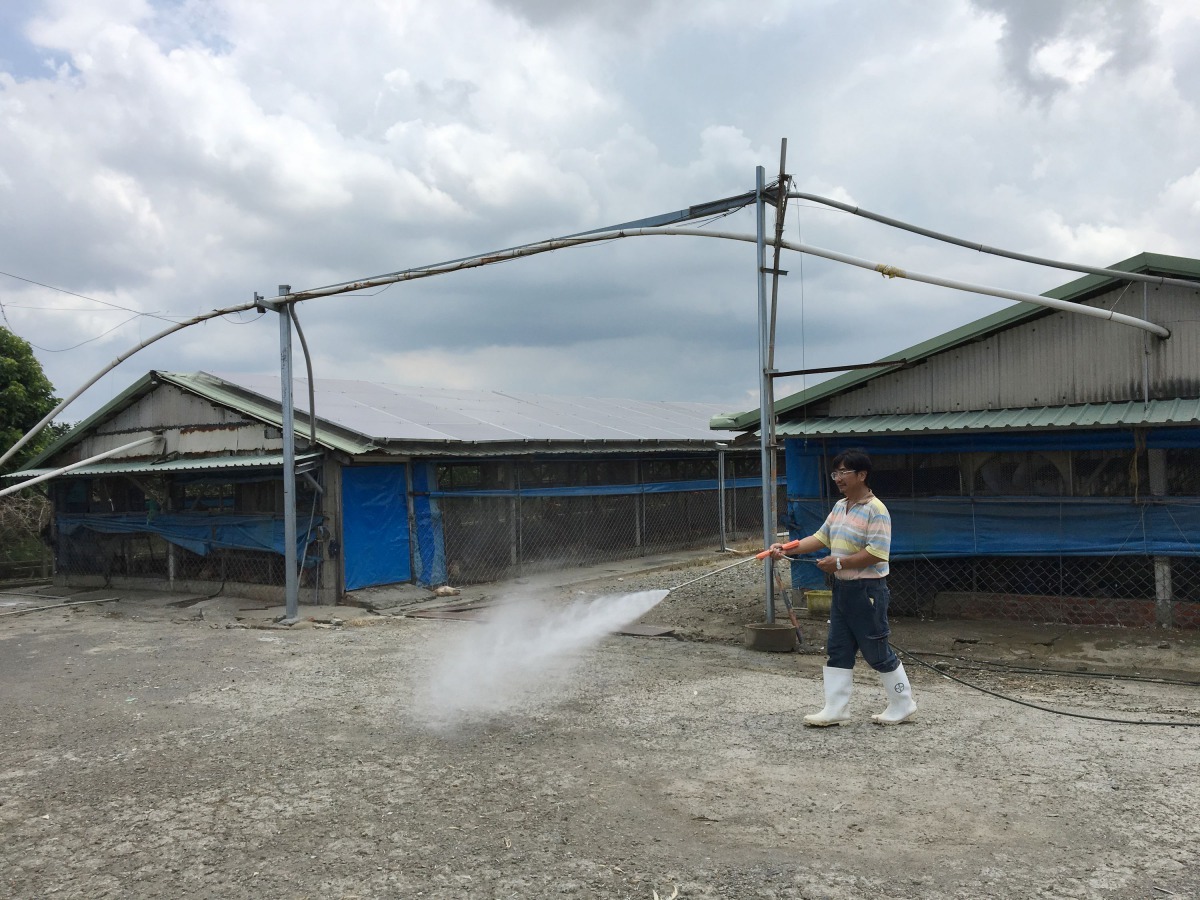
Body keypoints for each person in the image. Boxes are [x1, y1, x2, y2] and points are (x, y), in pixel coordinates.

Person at [769, 449, 917, 726]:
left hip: (868, 590)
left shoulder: (877, 510)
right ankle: (835, 709)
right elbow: (820, 537)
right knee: (838, 648)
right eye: (835, 473)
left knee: (876, 651)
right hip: (843, 590)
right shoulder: (840, 506)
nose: (837, 479)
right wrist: (786, 547)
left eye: (843, 473)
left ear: (862, 475)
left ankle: (903, 702)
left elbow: (877, 553)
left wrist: (839, 563)